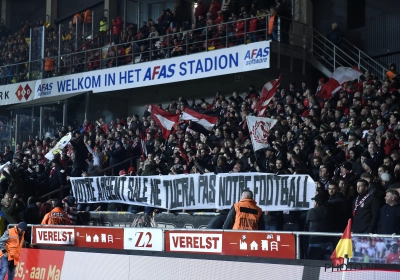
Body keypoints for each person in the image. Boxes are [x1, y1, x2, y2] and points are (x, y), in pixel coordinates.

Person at [306, 194, 334, 260]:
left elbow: (306, 223)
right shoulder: (331, 211)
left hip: (315, 241)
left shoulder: (312, 212)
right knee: (327, 265)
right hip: (328, 241)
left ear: (317, 203)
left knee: (312, 264)